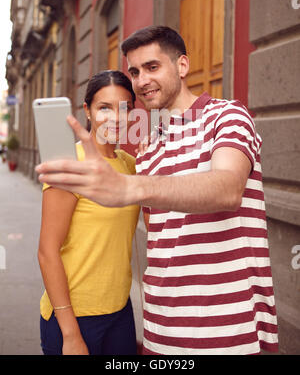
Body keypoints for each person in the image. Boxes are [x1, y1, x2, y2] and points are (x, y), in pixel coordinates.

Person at [36, 26, 279, 355]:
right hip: (161, 330)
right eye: (134, 71)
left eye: (152, 67)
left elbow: (228, 188)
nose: (141, 80)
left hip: (229, 328)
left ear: (181, 66)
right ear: (87, 109)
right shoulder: (148, 150)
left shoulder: (227, 117)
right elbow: (163, 241)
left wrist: (128, 186)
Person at [38, 70, 140, 355]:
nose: (115, 117)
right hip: (73, 314)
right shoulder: (68, 165)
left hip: (120, 309)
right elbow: (47, 251)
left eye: (124, 108)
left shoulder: (132, 165)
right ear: (87, 110)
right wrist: (70, 334)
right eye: (104, 108)